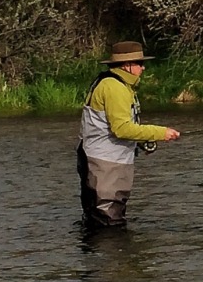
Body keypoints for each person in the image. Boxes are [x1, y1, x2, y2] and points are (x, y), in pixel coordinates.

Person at [77, 41, 181, 227]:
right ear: (127, 65)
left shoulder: (119, 85)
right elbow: (122, 129)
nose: (143, 67)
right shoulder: (114, 87)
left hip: (109, 162)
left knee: (105, 220)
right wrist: (160, 133)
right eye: (139, 63)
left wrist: (143, 140)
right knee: (107, 224)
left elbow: (116, 125)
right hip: (104, 163)